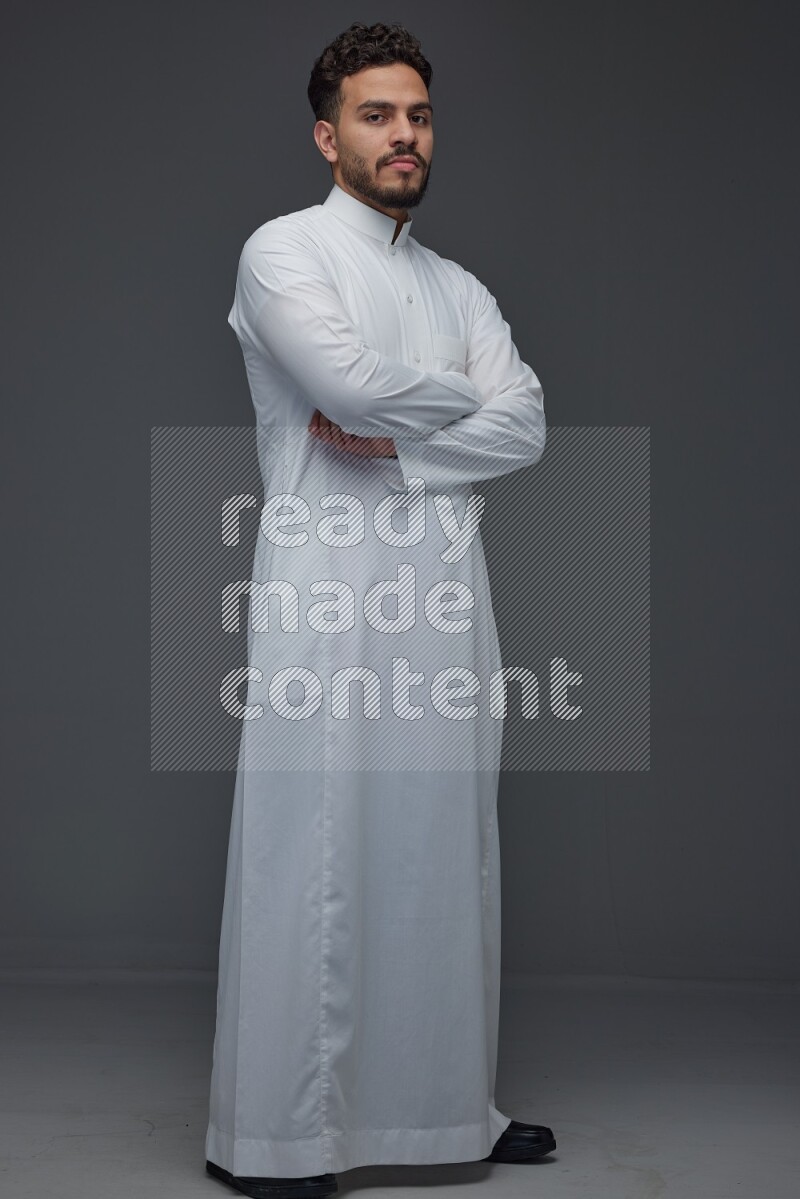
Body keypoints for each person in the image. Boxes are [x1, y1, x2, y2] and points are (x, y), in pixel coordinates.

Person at [205, 22, 552, 1199]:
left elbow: (531, 423)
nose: (402, 135)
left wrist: (406, 452)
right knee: (321, 850)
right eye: (374, 115)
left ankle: (445, 1110)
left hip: (446, 595)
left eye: (416, 116)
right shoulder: (283, 252)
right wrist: (464, 407)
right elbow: (345, 382)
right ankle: (283, 1136)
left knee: (440, 849)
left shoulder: (455, 282)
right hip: (329, 592)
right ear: (327, 133)